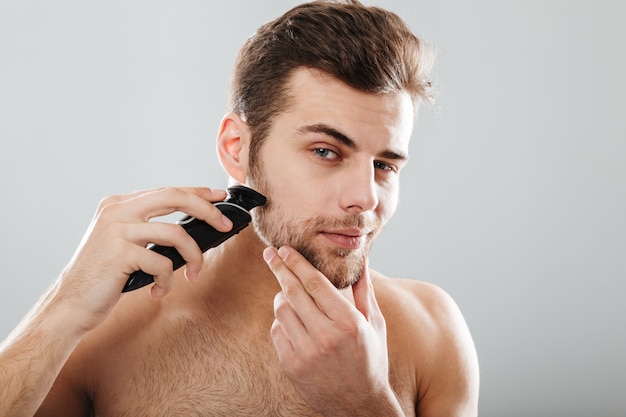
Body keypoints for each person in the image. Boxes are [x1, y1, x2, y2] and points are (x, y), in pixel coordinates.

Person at [0, 1, 479, 416]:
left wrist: (367, 405)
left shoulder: (430, 332)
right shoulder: (106, 334)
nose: (367, 198)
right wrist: (61, 308)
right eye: (326, 152)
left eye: (384, 165)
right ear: (237, 149)